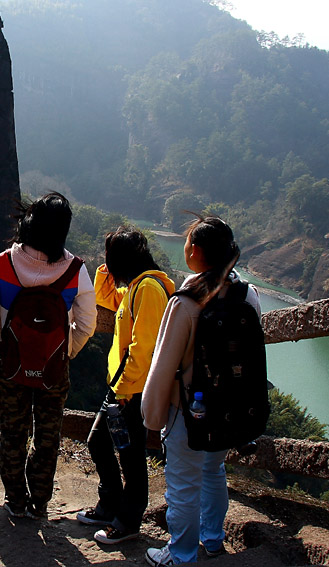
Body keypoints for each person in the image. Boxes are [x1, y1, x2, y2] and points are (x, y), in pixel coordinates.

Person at [141, 215, 261, 565]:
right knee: (213, 472)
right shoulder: (246, 293)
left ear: (194, 251)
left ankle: (180, 555)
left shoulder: (187, 300)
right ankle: (212, 538)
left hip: (188, 411)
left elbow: (165, 363)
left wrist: (152, 415)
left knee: (182, 484)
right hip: (228, 407)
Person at [0, 192, 97, 519]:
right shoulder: (76, 269)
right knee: (48, 436)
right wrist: (66, 353)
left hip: (12, 365)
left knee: (12, 432)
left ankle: (15, 501)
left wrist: (3, 344)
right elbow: (87, 321)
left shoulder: (5, 261)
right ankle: (40, 503)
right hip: (53, 369)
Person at [78, 227, 175, 544]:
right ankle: (111, 507)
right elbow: (105, 298)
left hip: (131, 391)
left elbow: (142, 348)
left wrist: (121, 391)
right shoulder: (136, 287)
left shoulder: (148, 289)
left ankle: (128, 521)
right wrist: (105, 270)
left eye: (110, 259)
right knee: (102, 444)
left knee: (130, 457)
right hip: (122, 388)